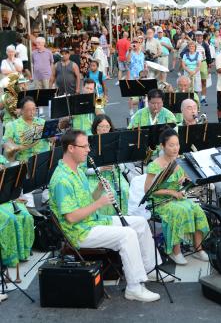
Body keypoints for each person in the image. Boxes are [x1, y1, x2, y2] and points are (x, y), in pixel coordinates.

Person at [49, 129, 163, 302]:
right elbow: (71, 217)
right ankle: (134, 287)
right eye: (84, 146)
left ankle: (150, 269)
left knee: (139, 222)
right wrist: (99, 204)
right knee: (127, 234)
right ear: (71, 148)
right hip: (80, 232)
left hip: (93, 221)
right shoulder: (61, 180)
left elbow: (88, 200)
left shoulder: (78, 170)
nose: (88, 150)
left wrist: (99, 190)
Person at [144, 128, 209, 265]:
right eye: (171, 145)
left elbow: (187, 179)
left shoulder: (179, 161)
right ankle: (175, 251)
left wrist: (185, 178)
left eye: (177, 144)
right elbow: (148, 190)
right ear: (163, 146)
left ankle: (197, 248)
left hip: (177, 198)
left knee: (197, 209)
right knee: (178, 211)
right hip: (160, 202)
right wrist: (171, 192)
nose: (175, 148)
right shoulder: (155, 165)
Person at [83, 115, 130, 215]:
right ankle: (105, 221)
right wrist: (101, 169)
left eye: (107, 127)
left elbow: (122, 168)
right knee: (107, 194)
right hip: (95, 177)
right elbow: (84, 169)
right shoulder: (88, 143)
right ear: (95, 127)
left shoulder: (115, 142)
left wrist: (116, 165)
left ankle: (123, 217)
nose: (104, 129)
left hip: (114, 175)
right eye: (101, 126)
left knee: (125, 189)